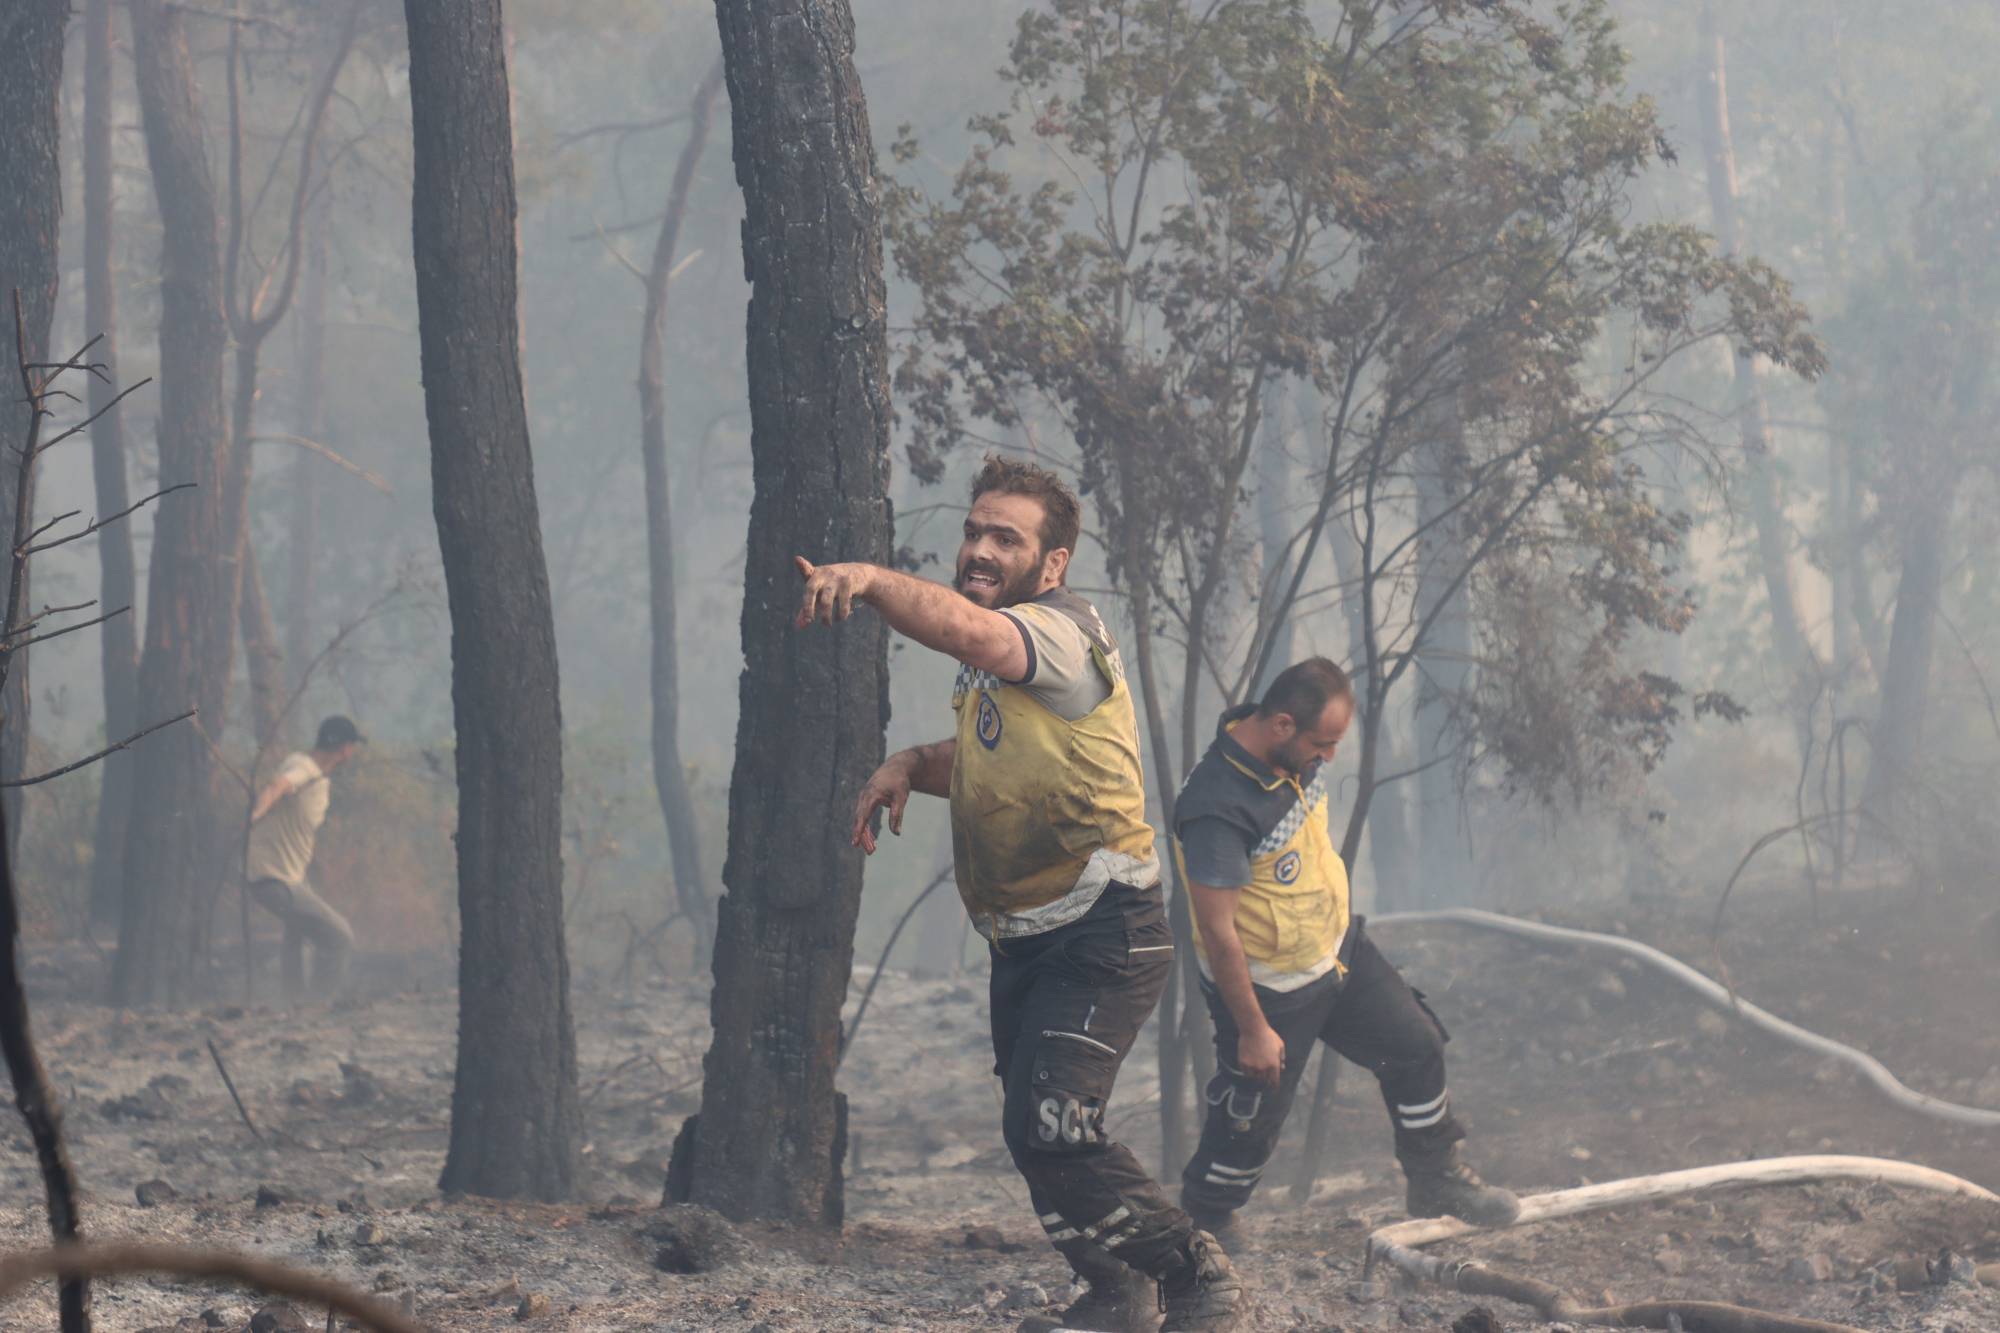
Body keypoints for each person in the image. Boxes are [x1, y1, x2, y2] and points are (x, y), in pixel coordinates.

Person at [796, 456, 1246, 1332]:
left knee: (1055, 1123)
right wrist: (906, 764)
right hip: (1028, 937)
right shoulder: (1001, 670)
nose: (979, 548)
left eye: (1006, 537)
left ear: (1053, 563)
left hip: (1105, 928)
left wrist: (873, 579)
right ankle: (1116, 1292)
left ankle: (1199, 1275)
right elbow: (991, 756)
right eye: (973, 531)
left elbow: (972, 633)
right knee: (1030, 1128)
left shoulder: (1059, 633)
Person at [1173, 658, 1519, 1239]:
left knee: (1417, 1046)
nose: (1329, 757)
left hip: (1337, 951)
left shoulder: (1290, 758)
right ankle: (1204, 1223)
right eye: (1323, 743)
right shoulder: (1216, 807)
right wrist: (1254, 1028)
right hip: (1270, 989)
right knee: (1248, 1125)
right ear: (1281, 724)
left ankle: (1434, 1176)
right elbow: (1218, 933)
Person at [246, 715, 364, 999]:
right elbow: (279, 786)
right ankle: (317, 1005)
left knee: (297, 933)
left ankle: (294, 1000)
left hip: (285, 876)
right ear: (344, 748)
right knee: (340, 938)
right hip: (274, 878)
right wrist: (255, 815)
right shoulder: (304, 767)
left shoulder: (316, 776)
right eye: (352, 746)